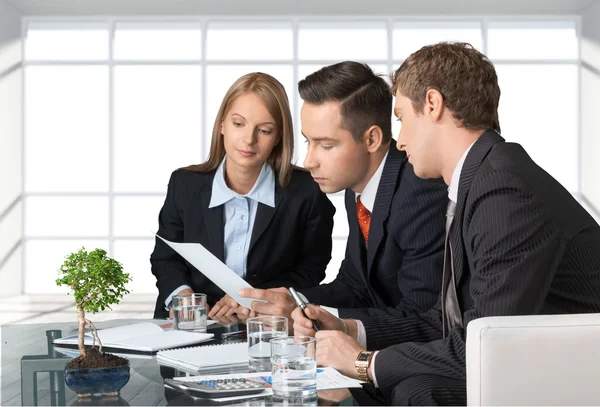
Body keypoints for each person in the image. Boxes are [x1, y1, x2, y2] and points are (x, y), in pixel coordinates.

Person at [292, 42, 600, 406]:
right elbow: (450, 321)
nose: (400, 140)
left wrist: (363, 363)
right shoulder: (480, 178)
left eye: (403, 118)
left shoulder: (504, 188)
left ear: (433, 105)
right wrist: (352, 330)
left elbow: (490, 342)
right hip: (536, 358)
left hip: (572, 369)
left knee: (415, 391)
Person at [238, 61, 448, 324]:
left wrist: (306, 316)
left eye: (326, 145)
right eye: (308, 141)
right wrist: (294, 301)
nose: (308, 162)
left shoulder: (420, 192)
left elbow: (421, 314)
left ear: (371, 139)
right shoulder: (357, 186)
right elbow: (355, 286)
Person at [150, 72, 335, 320]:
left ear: (279, 136)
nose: (249, 140)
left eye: (265, 130)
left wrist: (254, 297)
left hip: (265, 323)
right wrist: (185, 300)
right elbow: (166, 258)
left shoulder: (307, 192)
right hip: (189, 323)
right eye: (239, 124)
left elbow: (311, 269)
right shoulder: (184, 185)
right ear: (222, 125)